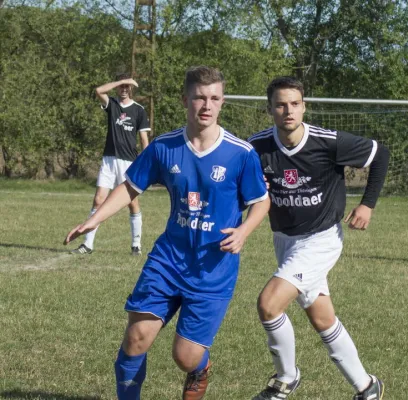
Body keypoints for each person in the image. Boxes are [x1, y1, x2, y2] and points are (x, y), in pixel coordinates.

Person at [64, 66, 270, 400]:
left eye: (214, 98)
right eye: (199, 97)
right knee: (136, 338)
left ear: (222, 102)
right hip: (168, 259)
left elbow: (261, 202)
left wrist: (245, 229)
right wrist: (94, 220)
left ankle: (200, 368)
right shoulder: (163, 147)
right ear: (184, 100)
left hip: (212, 268)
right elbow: (130, 186)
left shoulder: (240, 153)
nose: (207, 105)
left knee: (185, 356)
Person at [247, 76, 389, 400]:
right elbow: (243, 190)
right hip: (284, 241)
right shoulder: (256, 147)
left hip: (321, 240)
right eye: (281, 104)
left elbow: (381, 154)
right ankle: (367, 387)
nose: (288, 110)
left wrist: (367, 204)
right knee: (323, 318)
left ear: (304, 106)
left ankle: (286, 379)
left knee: (269, 304)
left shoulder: (327, 142)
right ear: (269, 108)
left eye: (295, 104)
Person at [71, 73, 151, 256]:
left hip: (128, 162)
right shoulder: (112, 105)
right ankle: (87, 245)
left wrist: (148, 162)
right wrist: (122, 80)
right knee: (99, 200)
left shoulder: (139, 110)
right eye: (121, 86)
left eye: (126, 86)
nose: (123, 89)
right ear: (117, 87)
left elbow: (144, 139)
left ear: (131, 89)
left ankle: (136, 245)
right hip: (108, 160)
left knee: (132, 203)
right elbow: (98, 90)